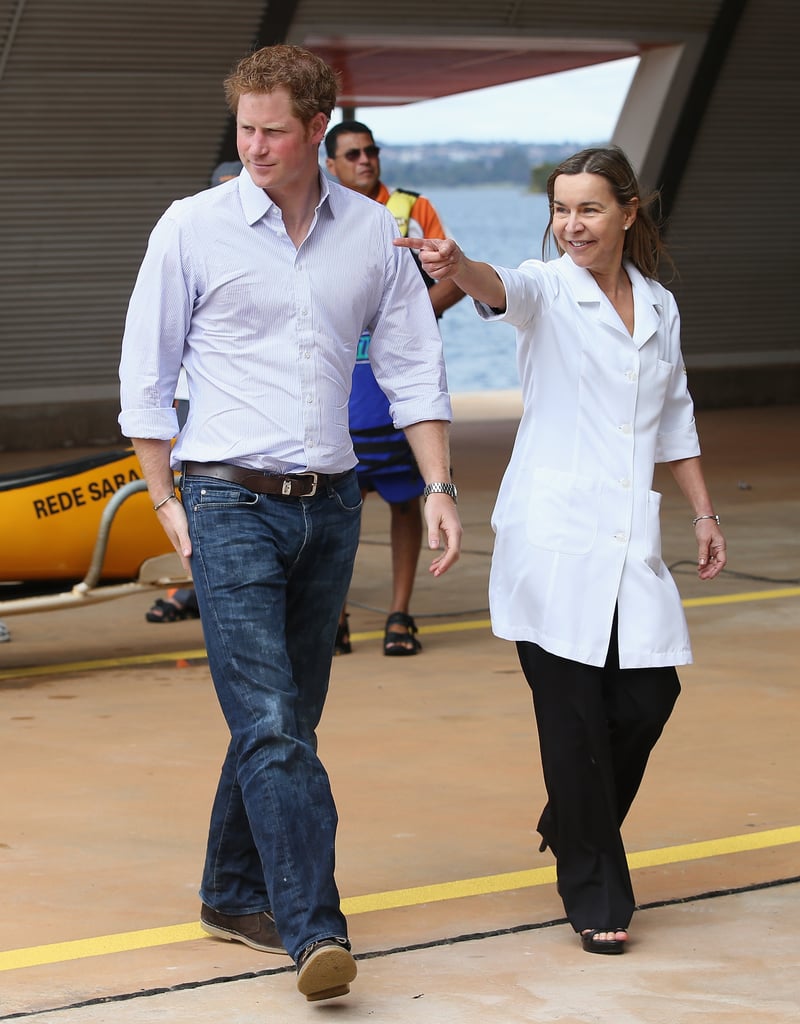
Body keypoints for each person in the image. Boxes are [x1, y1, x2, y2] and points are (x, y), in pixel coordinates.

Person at [118, 45, 461, 1002]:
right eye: (245, 129)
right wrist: (165, 504)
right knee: (270, 722)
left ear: (319, 130)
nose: (256, 147)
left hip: (334, 505)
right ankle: (314, 930)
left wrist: (436, 487)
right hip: (225, 500)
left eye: (274, 131)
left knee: (288, 719)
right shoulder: (192, 228)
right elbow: (144, 379)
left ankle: (232, 892)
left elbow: (412, 367)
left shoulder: (376, 236)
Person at [396, 145, 727, 955]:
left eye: (588, 209)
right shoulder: (546, 288)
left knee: (650, 699)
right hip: (551, 536)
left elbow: (674, 415)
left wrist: (704, 513)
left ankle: (567, 819)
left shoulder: (658, 305)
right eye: (560, 209)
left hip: (627, 541)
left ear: (627, 213)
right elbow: (498, 287)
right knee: (573, 717)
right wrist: (457, 262)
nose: (570, 225)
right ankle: (595, 889)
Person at [323, 120, 463, 656]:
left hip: (395, 393)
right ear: (330, 163)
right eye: (353, 154)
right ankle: (334, 618)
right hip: (343, 393)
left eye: (371, 152)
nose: (365, 160)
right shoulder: (319, 216)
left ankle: (400, 614)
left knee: (408, 504)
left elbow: (451, 272)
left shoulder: (410, 209)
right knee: (340, 506)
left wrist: (407, 317)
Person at [145, 163, 243, 625]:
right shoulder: (190, 235)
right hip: (190, 394)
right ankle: (195, 584)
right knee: (197, 490)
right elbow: (152, 356)